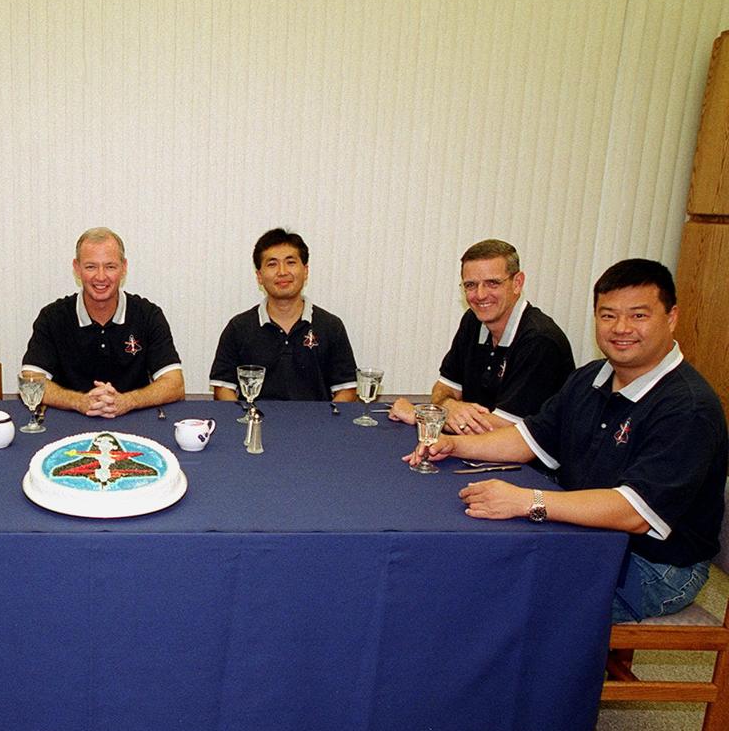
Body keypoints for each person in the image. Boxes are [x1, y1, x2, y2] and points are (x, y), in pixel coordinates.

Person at [407, 259, 727, 623]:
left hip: (654, 565)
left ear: (671, 318)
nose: (621, 328)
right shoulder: (592, 377)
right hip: (585, 534)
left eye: (638, 316)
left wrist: (529, 501)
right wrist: (455, 445)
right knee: (473, 563)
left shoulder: (688, 407)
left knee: (496, 597)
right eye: (608, 316)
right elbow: (528, 439)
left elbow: (634, 512)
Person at [389, 239, 574, 434]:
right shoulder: (473, 321)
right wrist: (450, 405)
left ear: (517, 283)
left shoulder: (540, 340)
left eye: (492, 283)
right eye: (470, 285)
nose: (480, 295)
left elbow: (502, 431)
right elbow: (442, 390)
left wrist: (421, 416)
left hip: (529, 463)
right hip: (478, 453)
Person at [21, 227, 184, 418]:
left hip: (136, 422)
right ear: (77, 268)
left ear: (124, 268)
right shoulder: (52, 317)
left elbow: (175, 384)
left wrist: (127, 401)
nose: (100, 276)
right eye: (91, 266)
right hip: (67, 423)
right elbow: (29, 382)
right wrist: (79, 401)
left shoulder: (148, 315)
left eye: (110, 266)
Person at [209, 228, 357, 402]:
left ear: (306, 271)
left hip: (315, 426)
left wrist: (325, 422)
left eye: (290, 262)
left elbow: (346, 390)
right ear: (259, 276)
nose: (282, 272)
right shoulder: (239, 327)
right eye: (272, 264)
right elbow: (223, 388)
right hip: (256, 424)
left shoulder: (331, 326)